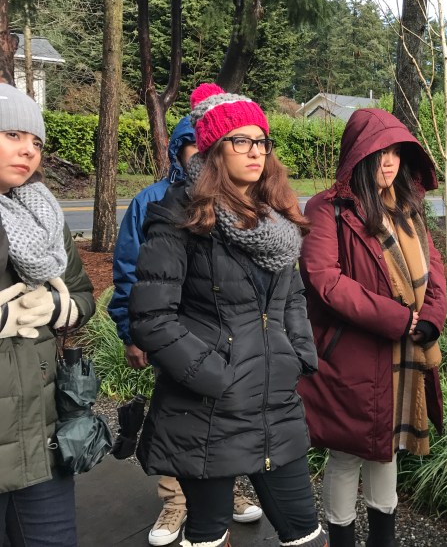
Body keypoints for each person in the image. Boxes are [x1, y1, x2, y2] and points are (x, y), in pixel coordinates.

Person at [129, 83, 327, 547]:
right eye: (240, 141)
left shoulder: (275, 218)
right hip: (207, 410)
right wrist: (216, 375)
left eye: (261, 141)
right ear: (214, 150)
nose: (255, 151)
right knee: (208, 533)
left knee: (304, 531)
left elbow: (292, 297)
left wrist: (298, 354)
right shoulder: (180, 217)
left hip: (274, 404)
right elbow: (152, 317)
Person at [108, 117, 263, 546]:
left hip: (225, 340)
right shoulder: (153, 200)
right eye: (194, 146)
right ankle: (175, 499)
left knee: (223, 421)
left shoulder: (241, 200)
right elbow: (129, 270)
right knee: (179, 418)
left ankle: (223, 491)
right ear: (178, 151)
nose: (203, 155)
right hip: (171, 334)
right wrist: (130, 333)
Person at [298, 108, 447, 547]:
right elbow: (325, 279)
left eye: (396, 153)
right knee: (347, 454)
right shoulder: (329, 209)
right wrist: (398, 318)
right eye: (380, 152)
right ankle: (341, 539)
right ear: (358, 156)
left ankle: (384, 539)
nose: (389, 162)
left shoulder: (408, 207)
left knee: (388, 450)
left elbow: (434, 268)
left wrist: (432, 317)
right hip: (351, 356)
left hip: (404, 352)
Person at [0, 83, 95, 545]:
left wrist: (57, 307)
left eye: (36, 141)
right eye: (13, 135)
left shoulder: (43, 215)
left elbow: (83, 294)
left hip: (40, 435)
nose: (29, 150)